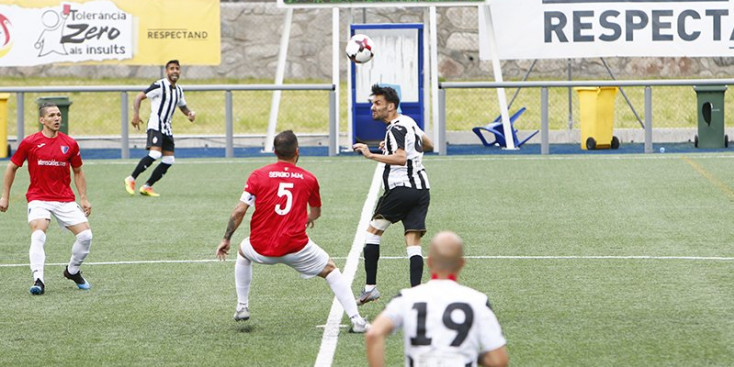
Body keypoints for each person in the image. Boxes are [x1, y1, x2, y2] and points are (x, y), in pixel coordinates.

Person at [215, 130, 370, 333]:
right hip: (295, 248)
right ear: (297, 151)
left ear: (274, 151)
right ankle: (357, 321)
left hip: (260, 247)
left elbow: (239, 210)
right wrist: (307, 219)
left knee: (243, 252)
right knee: (331, 270)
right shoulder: (308, 179)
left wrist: (226, 238)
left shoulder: (258, 175)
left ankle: (242, 306)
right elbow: (315, 212)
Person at [365, 231, 509, 367]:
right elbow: (499, 360)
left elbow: (374, 334)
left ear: (430, 262)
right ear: (462, 263)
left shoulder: (406, 298)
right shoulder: (478, 301)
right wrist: (472, 356)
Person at [352, 84, 434, 305]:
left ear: (391, 106)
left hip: (401, 189)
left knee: (372, 233)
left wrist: (372, 155)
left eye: (377, 103)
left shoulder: (395, 128)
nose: (372, 108)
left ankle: (370, 288)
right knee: (413, 241)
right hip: (421, 189)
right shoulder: (409, 122)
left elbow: (400, 158)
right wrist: (389, 147)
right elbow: (428, 144)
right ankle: (416, 295)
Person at [0, 103, 93, 295]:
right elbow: (11, 167)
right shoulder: (30, 142)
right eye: (51, 115)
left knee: (85, 236)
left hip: (64, 198)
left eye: (59, 115)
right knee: (38, 232)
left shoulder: (70, 144)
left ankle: (72, 271)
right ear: (42, 120)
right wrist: (5, 196)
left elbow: (78, 171)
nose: (57, 118)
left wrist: (83, 198)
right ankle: (38, 280)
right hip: (38, 197)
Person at [124, 59, 196, 197]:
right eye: (172, 68)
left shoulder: (179, 90)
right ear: (166, 71)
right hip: (155, 125)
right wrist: (136, 115)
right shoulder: (160, 85)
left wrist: (189, 114)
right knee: (155, 154)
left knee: (169, 160)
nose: (175, 71)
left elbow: (182, 106)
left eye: (177, 68)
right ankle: (131, 179)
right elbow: (139, 97)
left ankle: (147, 186)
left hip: (167, 128)